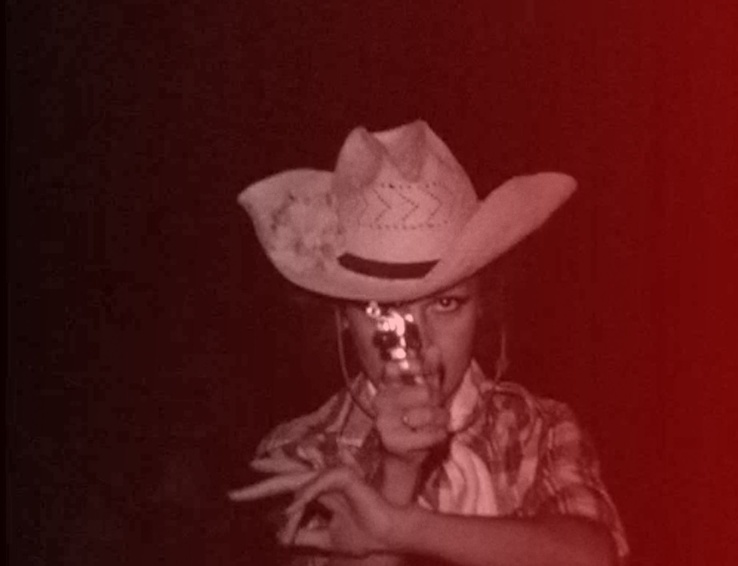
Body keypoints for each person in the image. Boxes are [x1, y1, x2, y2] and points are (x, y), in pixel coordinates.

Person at [229, 120, 629, 565]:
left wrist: (398, 528)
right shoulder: (300, 452)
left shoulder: (537, 427)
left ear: (483, 308)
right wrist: (398, 473)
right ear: (343, 316)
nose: (415, 343)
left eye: (445, 303)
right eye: (382, 310)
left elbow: (594, 558)